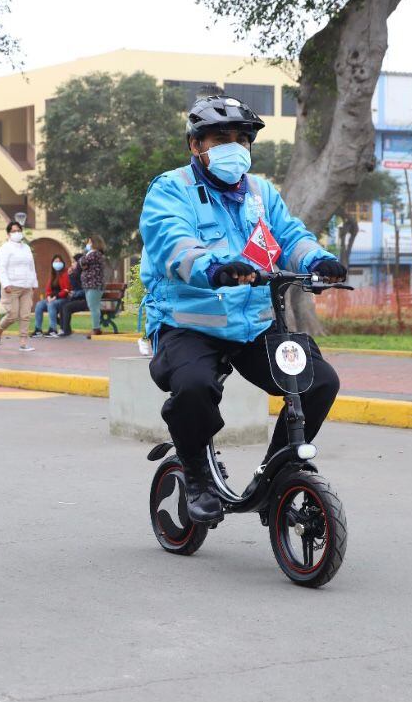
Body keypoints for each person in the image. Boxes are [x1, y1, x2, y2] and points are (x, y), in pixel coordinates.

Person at [140, 95, 346, 525]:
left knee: (318, 381)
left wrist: (316, 261)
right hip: (188, 324)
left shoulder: (259, 193)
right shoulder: (171, 189)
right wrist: (213, 267)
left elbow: (289, 237)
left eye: (241, 139)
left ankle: (279, 475)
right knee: (195, 386)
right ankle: (196, 474)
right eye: (221, 138)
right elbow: (170, 242)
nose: (234, 146)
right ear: (196, 145)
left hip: (253, 324)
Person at [0, 221, 37, 352]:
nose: (17, 233)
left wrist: (34, 282)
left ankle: (23, 342)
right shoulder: (5, 248)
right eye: (13, 231)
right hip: (12, 286)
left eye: (19, 230)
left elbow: (31, 266)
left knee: (25, 315)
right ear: (8, 234)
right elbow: (1, 267)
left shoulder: (26, 248)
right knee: (13, 315)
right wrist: (6, 283)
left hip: (26, 286)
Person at [31, 254, 70, 337]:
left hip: (63, 299)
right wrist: (48, 297)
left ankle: (53, 330)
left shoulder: (65, 274)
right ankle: (38, 330)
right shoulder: (53, 275)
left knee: (51, 304)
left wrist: (56, 297)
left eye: (59, 261)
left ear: (63, 263)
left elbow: (66, 290)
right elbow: (48, 289)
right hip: (53, 299)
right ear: (52, 263)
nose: (58, 263)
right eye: (56, 261)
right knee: (39, 304)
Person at [79, 235, 106, 337]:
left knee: (93, 307)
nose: (88, 244)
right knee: (92, 306)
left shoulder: (95, 254)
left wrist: (83, 257)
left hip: (94, 285)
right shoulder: (92, 254)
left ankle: (96, 328)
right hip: (90, 285)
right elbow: (83, 264)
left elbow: (83, 262)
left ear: (95, 243)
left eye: (90, 242)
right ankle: (96, 327)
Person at [57, 253, 85, 336]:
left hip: (85, 300)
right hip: (77, 299)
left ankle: (65, 330)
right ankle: (64, 329)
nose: (72, 264)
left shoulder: (84, 274)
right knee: (62, 305)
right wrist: (71, 275)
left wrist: (75, 293)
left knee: (66, 307)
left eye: (74, 262)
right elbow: (74, 287)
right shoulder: (75, 273)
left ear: (79, 262)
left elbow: (85, 291)